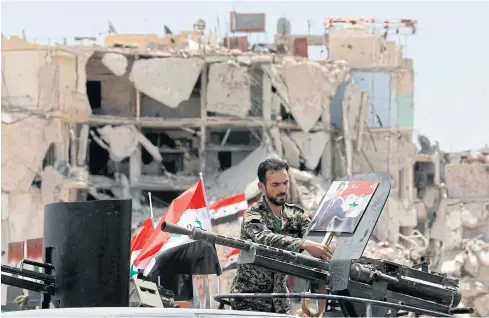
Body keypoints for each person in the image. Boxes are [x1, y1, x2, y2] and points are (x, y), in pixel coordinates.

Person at [230, 158, 333, 314]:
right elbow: (265, 239)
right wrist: (303, 244)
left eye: (285, 183)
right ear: (261, 187)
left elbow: (316, 241)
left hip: (280, 302)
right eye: (275, 185)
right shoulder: (253, 215)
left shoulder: (296, 214)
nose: (282, 189)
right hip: (249, 302)